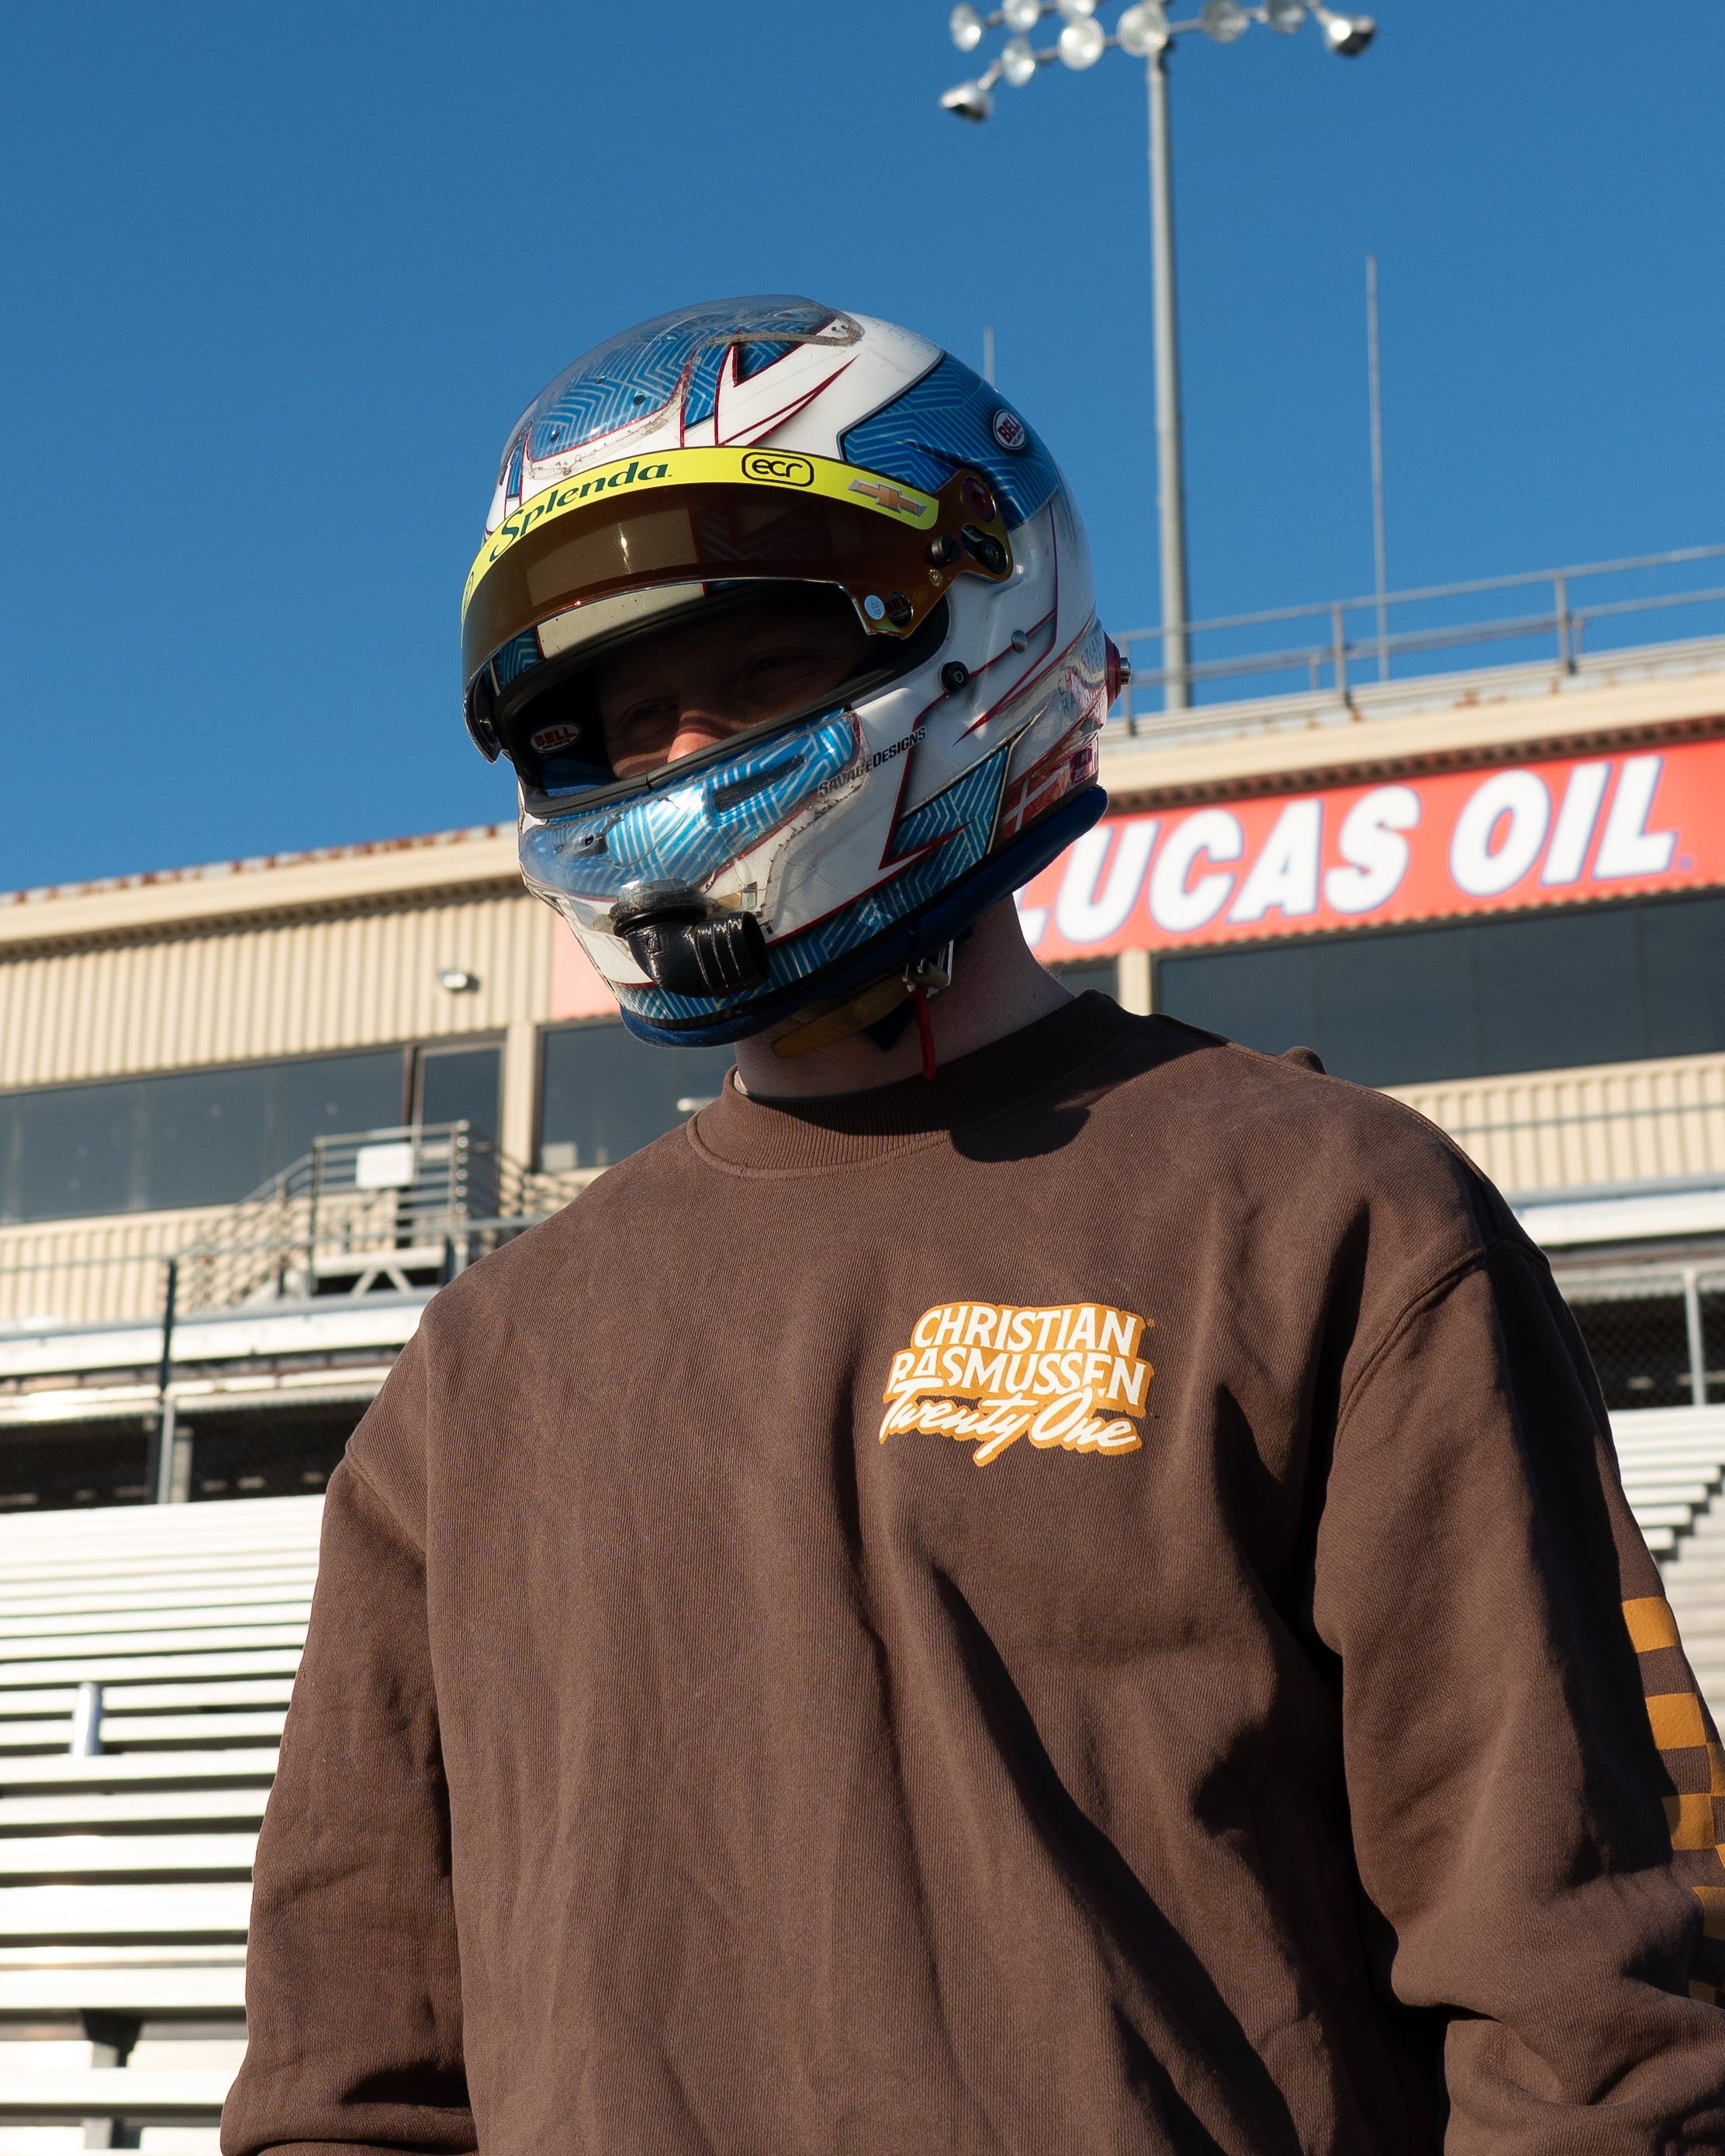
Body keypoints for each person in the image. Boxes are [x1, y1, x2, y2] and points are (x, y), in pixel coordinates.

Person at [224, 299, 1725, 2156]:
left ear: (977, 618)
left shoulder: (1321, 1217)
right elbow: (351, 2082)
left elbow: (1587, 2030)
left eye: (754, 676)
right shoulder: (474, 1376)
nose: (676, 760)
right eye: (614, 720)